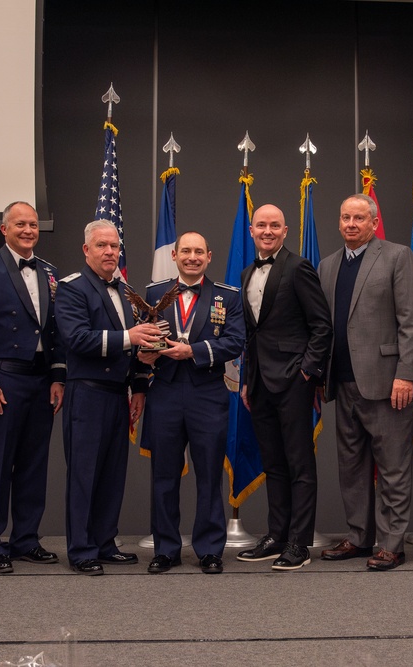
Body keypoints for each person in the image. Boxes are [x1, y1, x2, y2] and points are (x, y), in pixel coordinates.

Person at [316, 194, 413, 571]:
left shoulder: (396, 256)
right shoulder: (328, 265)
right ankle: (359, 537)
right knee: (351, 468)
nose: (350, 224)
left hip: (387, 383)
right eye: (345, 217)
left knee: (393, 467)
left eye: (358, 218)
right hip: (342, 383)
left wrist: (406, 374)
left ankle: (391, 543)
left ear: (373, 221)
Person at [0, 201, 65, 574]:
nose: (28, 230)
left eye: (33, 225)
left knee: (35, 464)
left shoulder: (50, 271)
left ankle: (26, 540)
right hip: (3, 377)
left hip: (39, 379)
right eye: (20, 224)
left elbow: (55, 332)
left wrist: (57, 376)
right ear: (4, 229)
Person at [54, 220, 163, 575]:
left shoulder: (125, 290)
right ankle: (82, 549)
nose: (110, 252)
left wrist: (141, 377)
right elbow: (78, 340)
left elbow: (130, 348)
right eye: (102, 246)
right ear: (87, 250)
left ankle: (104, 542)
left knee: (112, 475)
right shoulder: (72, 289)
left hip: (118, 393)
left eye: (115, 246)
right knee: (84, 475)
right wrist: (132, 338)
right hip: (86, 394)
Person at [138, 231, 245, 575]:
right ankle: (166, 549)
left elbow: (235, 341)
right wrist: (144, 355)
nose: (192, 257)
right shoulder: (154, 293)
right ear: (175, 255)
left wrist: (194, 351)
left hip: (207, 394)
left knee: (209, 475)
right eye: (186, 251)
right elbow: (143, 335)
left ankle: (210, 550)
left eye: (199, 251)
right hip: (165, 393)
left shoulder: (228, 296)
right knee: (163, 475)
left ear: (209, 256)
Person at [237, 204, 332, 571]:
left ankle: (299, 543)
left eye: (274, 225)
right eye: (261, 225)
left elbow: (322, 326)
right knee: (273, 463)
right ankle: (277, 535)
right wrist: (246, 381)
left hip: (294, 380)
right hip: (259, 381)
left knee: (299, 464)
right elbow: (250, 335)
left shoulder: (298, 267)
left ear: (285, 230)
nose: (267, 231)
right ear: (251, 230)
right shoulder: (247, 273)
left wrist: (307, 371)